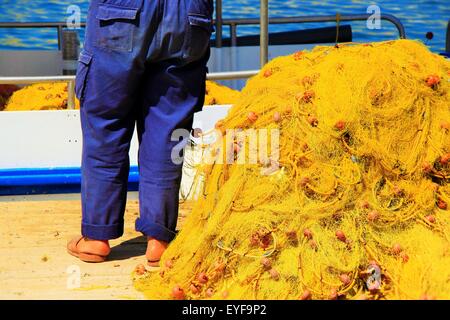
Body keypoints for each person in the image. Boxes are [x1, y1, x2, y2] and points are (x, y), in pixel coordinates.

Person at [67, 0, 214, 266]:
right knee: (168, 132)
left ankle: (96, 237)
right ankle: (159, 239)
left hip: (122, 11)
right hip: (188, 16)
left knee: (106, 126)